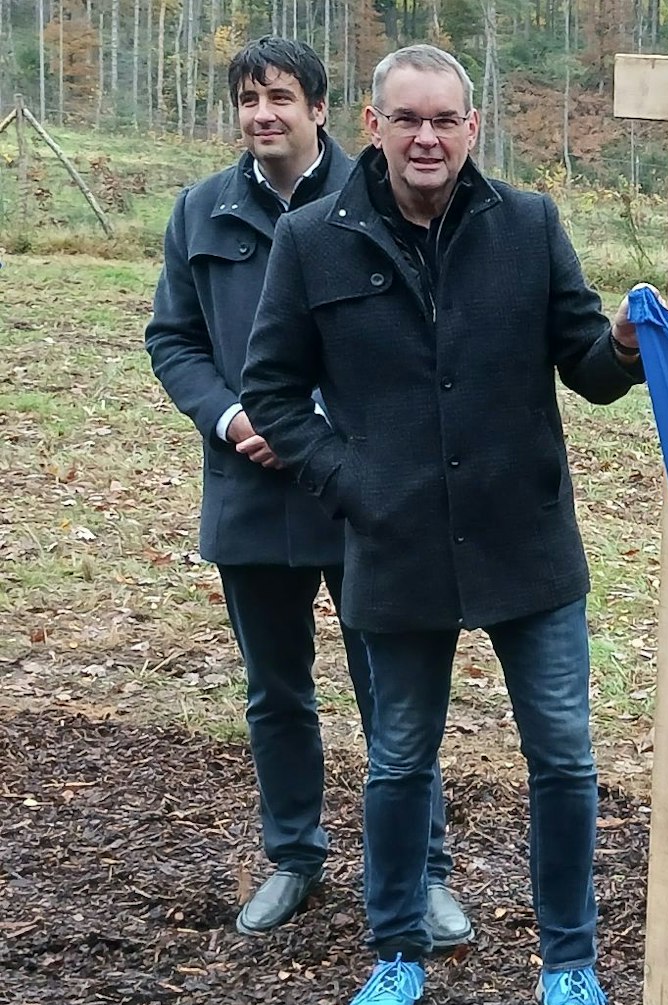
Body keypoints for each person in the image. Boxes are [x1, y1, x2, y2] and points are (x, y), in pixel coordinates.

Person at [238, 43, 650, 1005]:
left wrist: (629, 348)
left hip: (529, 546)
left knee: (561, 761)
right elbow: (273, 392)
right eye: (408, 119)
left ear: (474, 128)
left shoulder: (530, 226)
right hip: (398, 547)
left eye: (446, 120)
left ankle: (570, 964)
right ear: (371, 127)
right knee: (398, 762)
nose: (428, 137)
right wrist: (352, 480)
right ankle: (393, 953)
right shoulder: (311, 241)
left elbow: (587, 369)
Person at [144, 36, 468, 946]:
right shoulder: (200, 212)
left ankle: (420, 869)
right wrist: (230, 416)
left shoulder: (374, 205)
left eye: (280, 97)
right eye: (248, 99)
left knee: (390, 692)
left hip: (355, 488)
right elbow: (172, 339)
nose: (263, 115)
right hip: (247, 489)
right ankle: (293, 855)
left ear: (322, 109)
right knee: (275, 690)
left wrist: (311, 427)